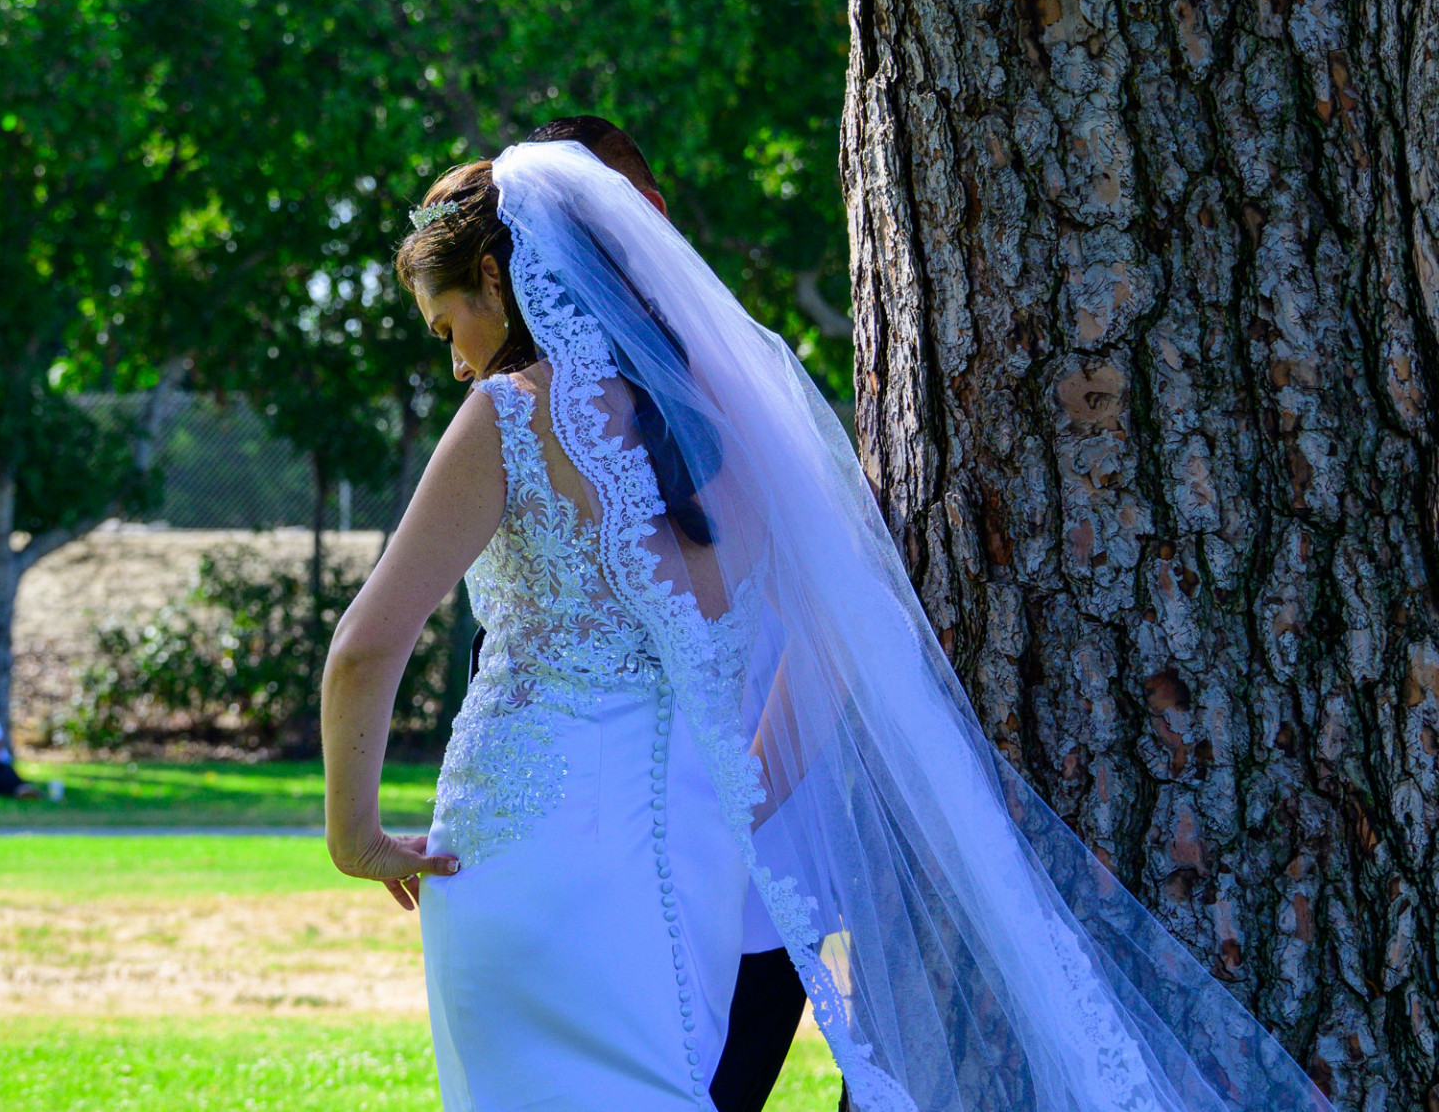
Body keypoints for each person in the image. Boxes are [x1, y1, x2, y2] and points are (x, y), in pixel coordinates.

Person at [320, 140, 1334, 1111]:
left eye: (447, 328)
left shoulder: (510, 416)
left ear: (496, 280)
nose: (457, 366)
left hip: (523, 845)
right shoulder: (729, 423)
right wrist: (746, 786)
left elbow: (365, 648)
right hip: (693, 857)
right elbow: (847, 633)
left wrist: (355, 836)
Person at [521, 116, 805, 1112]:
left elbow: (833, 645)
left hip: (748, 883)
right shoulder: (544, 408)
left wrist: (739, 801)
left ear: (646, 214)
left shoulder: (741, 395)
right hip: (605, 875)